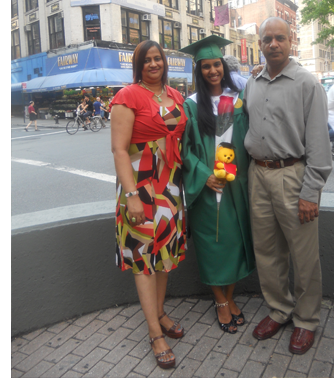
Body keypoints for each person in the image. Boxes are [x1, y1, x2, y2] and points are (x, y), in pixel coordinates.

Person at [241, 17, 332, 355]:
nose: (274, 44)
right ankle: (279, 309)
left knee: (304, 256)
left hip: (293, 175)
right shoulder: (254, 82)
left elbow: (320, 145)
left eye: (280, 38)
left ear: (291, 40)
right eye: (267, 39)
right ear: (259, 42)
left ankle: (306, 320)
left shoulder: (307, 84)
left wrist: (311, 192)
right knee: (267, 251)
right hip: (258, 174)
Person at [109, 40, 188, 370]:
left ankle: (160, 312)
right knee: (143, 259)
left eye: (158, 59)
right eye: (147, 61)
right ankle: (155, 333)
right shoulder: (127, 96)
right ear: (138, 66)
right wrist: (131, 195)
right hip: (140, 187)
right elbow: (119, 150)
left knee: (165, 255)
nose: (153, 64)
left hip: (170, 187)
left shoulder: (175, 96)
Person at [179, 36, 255, 335]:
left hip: (234, 186)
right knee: (213, 244)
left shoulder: (235, 100)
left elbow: (244, 141)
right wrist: (203, 175)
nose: (213, 71)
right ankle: (220, 302)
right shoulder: (190, 105)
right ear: (198, 71)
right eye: (206, 66)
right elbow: (183, 151)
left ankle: (230, 296)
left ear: (223, 66)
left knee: (234, 243)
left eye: (217, 65)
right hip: (206, 188)